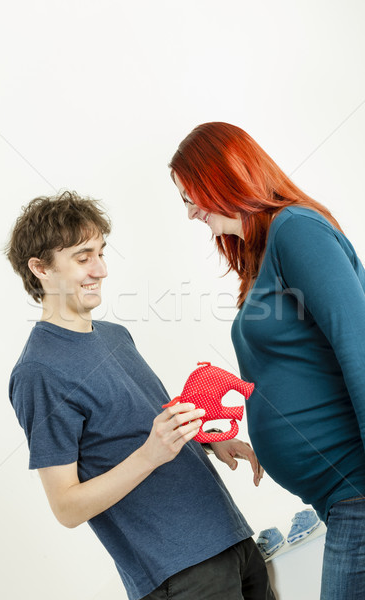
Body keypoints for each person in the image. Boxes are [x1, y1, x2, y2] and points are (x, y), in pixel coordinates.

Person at [5, 190, 275, 600]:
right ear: (40, 268)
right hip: (179, 574)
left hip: (231, 537)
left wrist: (206, 441)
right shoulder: (37, 372)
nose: (101, 269)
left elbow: (136, 432)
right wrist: (152, 452)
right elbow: (67, 507)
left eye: (101, 252)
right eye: (83, 257)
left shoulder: (115, 336)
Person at [169, 121, 365, 600]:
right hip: (338, 498)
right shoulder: (260, 255)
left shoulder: (296, 230)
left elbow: (357, 342)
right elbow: (297, 358)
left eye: (191, 194)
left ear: (225, 176)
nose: (191, 211)